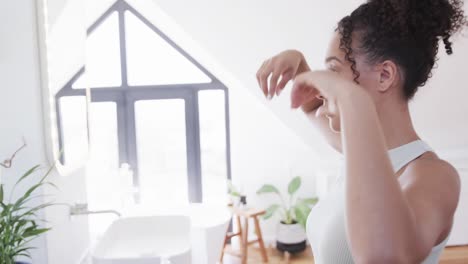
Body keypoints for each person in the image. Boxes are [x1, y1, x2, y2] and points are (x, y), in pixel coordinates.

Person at [256, 0, 467, 263]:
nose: (327, 84)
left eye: (333, 70)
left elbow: (384, 255)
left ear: (384, 76)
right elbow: (312, 108)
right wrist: (299, 65)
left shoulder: (434, 177)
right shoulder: (360, 152)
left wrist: (352, 99)